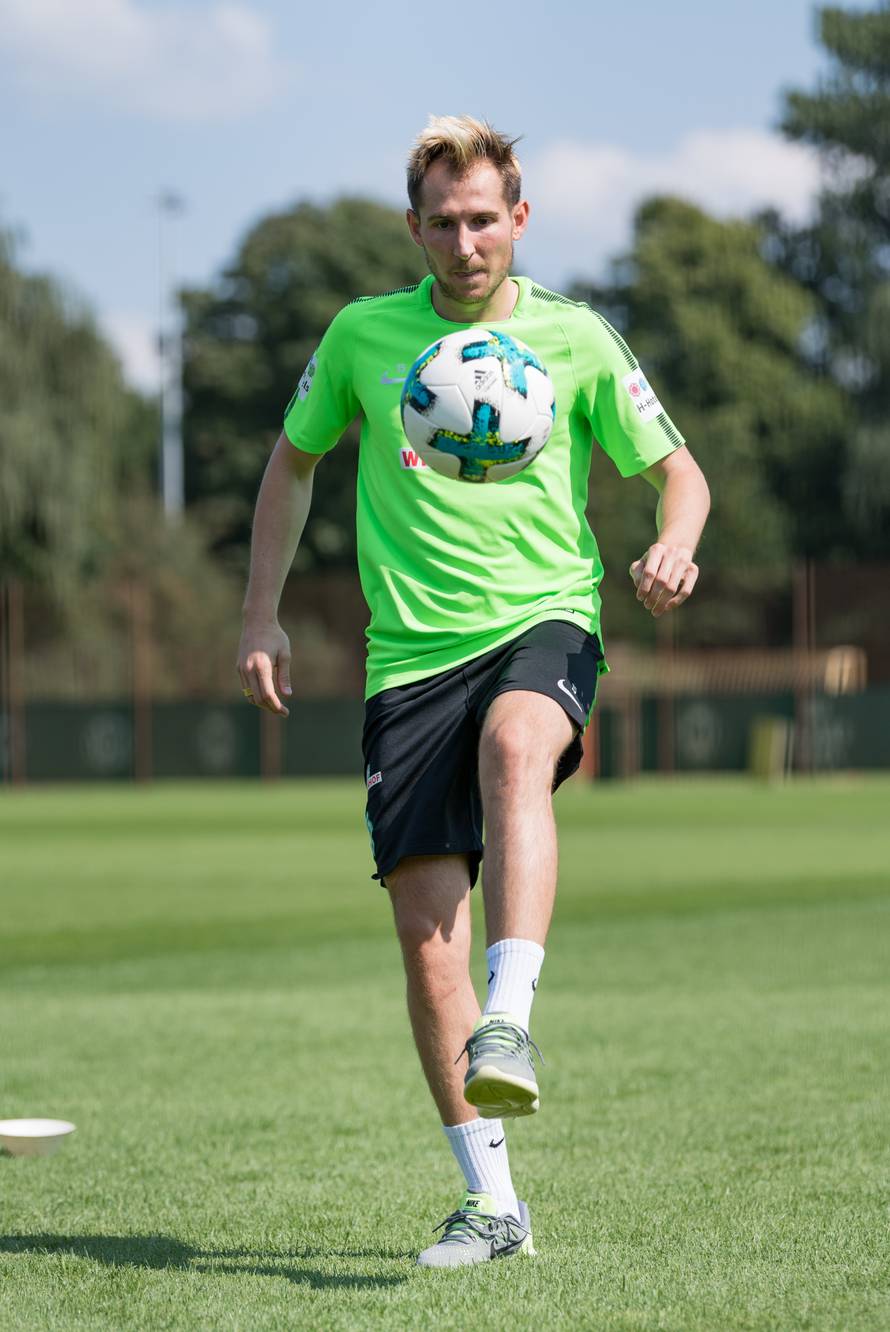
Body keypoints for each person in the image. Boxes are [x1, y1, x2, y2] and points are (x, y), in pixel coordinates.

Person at [237, 115, 710, 1268]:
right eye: (442, 222)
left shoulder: (576, 336)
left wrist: (671, 543)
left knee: (516, 749)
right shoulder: (361, 336)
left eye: (484, 218)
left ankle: (514, 1016)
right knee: (423, 943)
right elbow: (290, 464)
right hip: (407, 662)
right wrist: (259, 610)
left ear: (519, 218)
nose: (464, 241)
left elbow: (679, 473)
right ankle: (492, 1206)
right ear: (414, 227)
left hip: (544, 621)